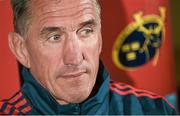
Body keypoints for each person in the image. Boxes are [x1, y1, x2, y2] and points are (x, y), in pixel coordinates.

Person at [0, 0, 177, 115]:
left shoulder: (152, 110)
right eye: (54, 37)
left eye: (86, 31)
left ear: (100, 37)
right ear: (21, 49)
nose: (75, 58)